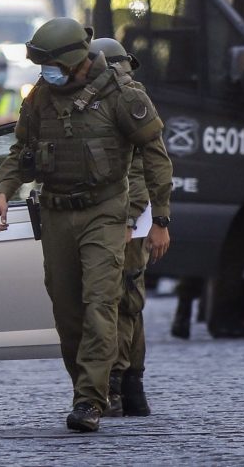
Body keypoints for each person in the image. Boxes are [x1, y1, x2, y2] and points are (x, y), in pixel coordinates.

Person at [0, 18, 174, 433]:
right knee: (67, 310)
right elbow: (22, 149)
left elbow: (155, 156)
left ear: (73, 61)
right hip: (55, 212)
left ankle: (91, 400)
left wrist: (159, 218)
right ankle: (84, 387)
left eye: (50, 65)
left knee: (101, 303)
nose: (45, 72)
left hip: (105, 212)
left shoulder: (122, 95)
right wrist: (2, 190)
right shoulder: (41, 97)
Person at [89, 37, 152, 418]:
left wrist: (131, 218)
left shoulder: (125, 101)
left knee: (121, 301)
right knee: (128, 302)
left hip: (128, 217)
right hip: (127, 216)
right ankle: (130, 387)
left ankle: (117, 384)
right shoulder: (128, 98)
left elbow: (140, 169)